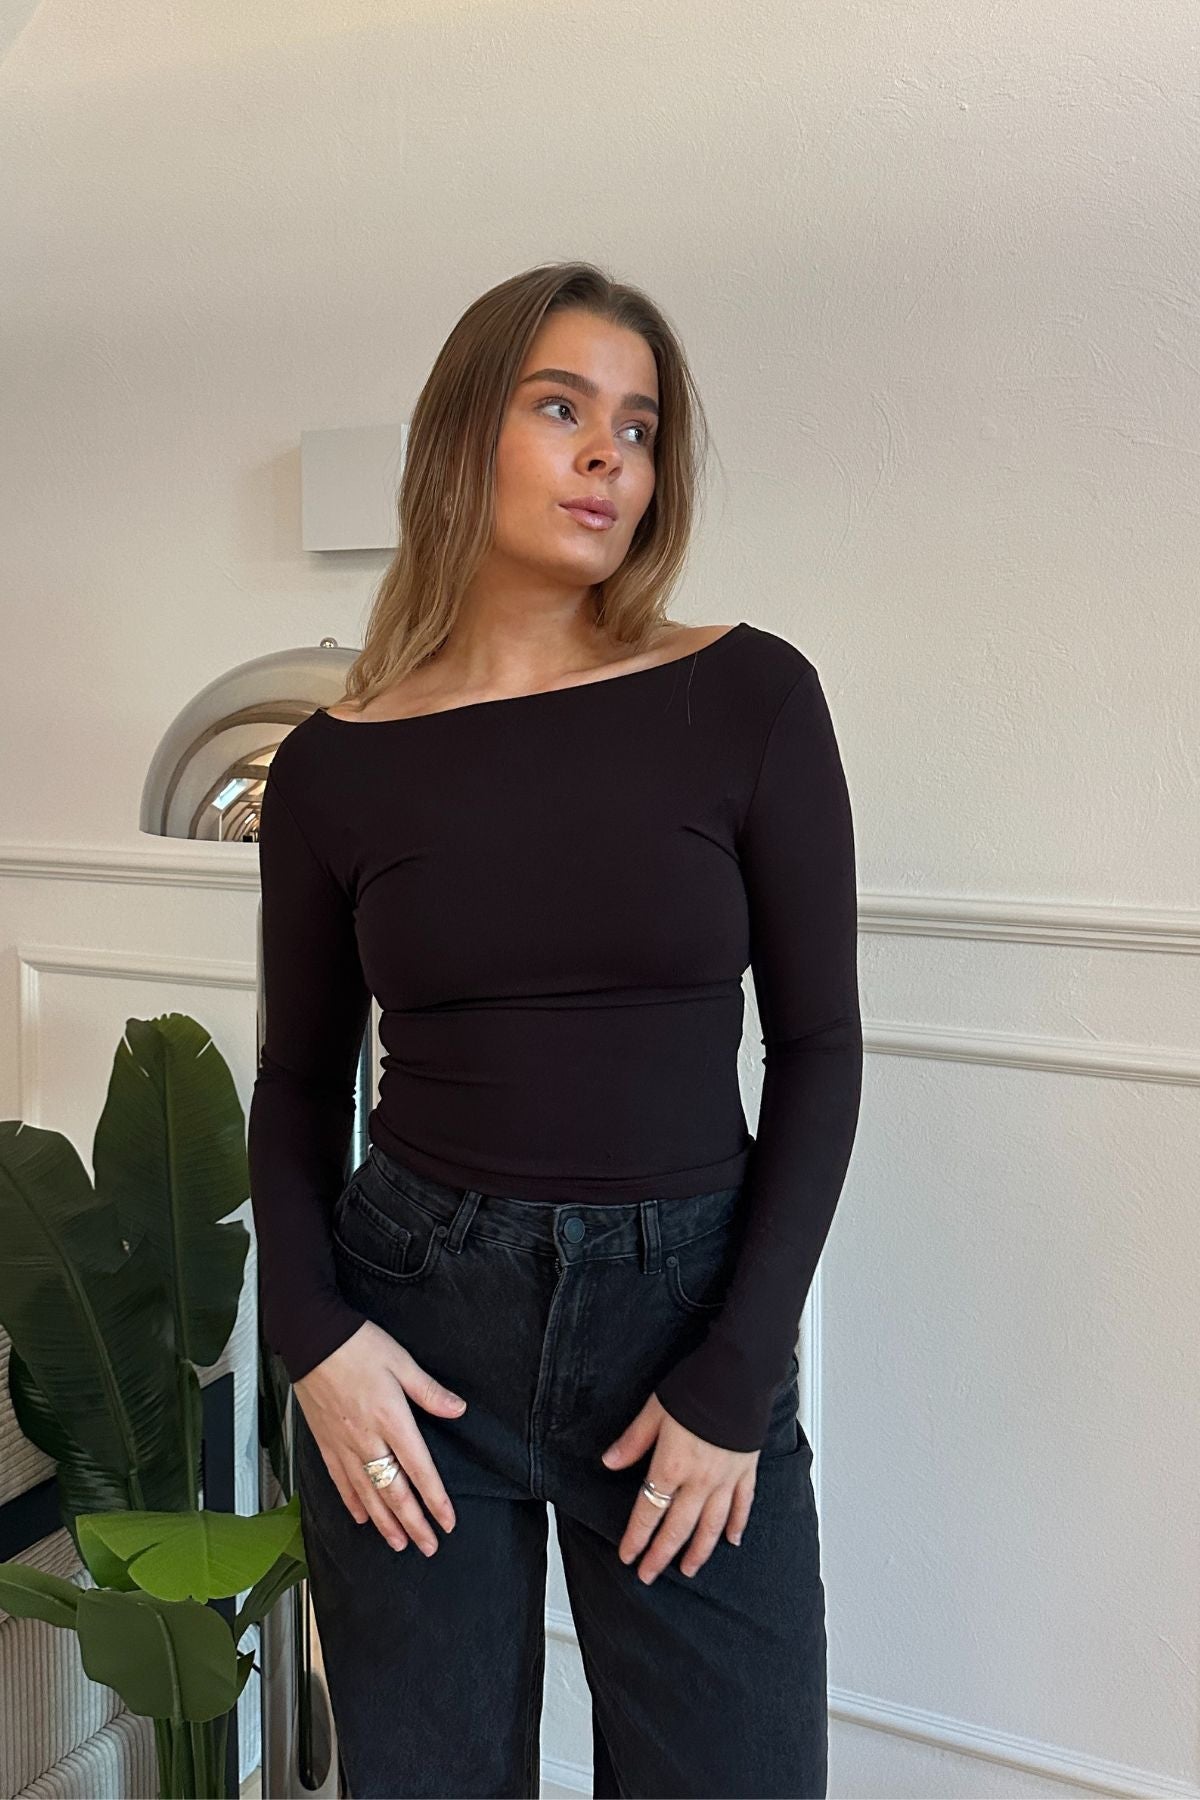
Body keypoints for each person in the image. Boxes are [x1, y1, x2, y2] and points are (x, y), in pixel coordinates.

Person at [246, 259, 862, 1799]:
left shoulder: (749, 697)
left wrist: (735, 1375)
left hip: (684, 1336)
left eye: (639, 428)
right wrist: (313, 1338)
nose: (610, 456)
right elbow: (300, 1079)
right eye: (562, 408)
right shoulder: (333, 766)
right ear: (465, 434)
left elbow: (822, 1050)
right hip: (411, 1337)